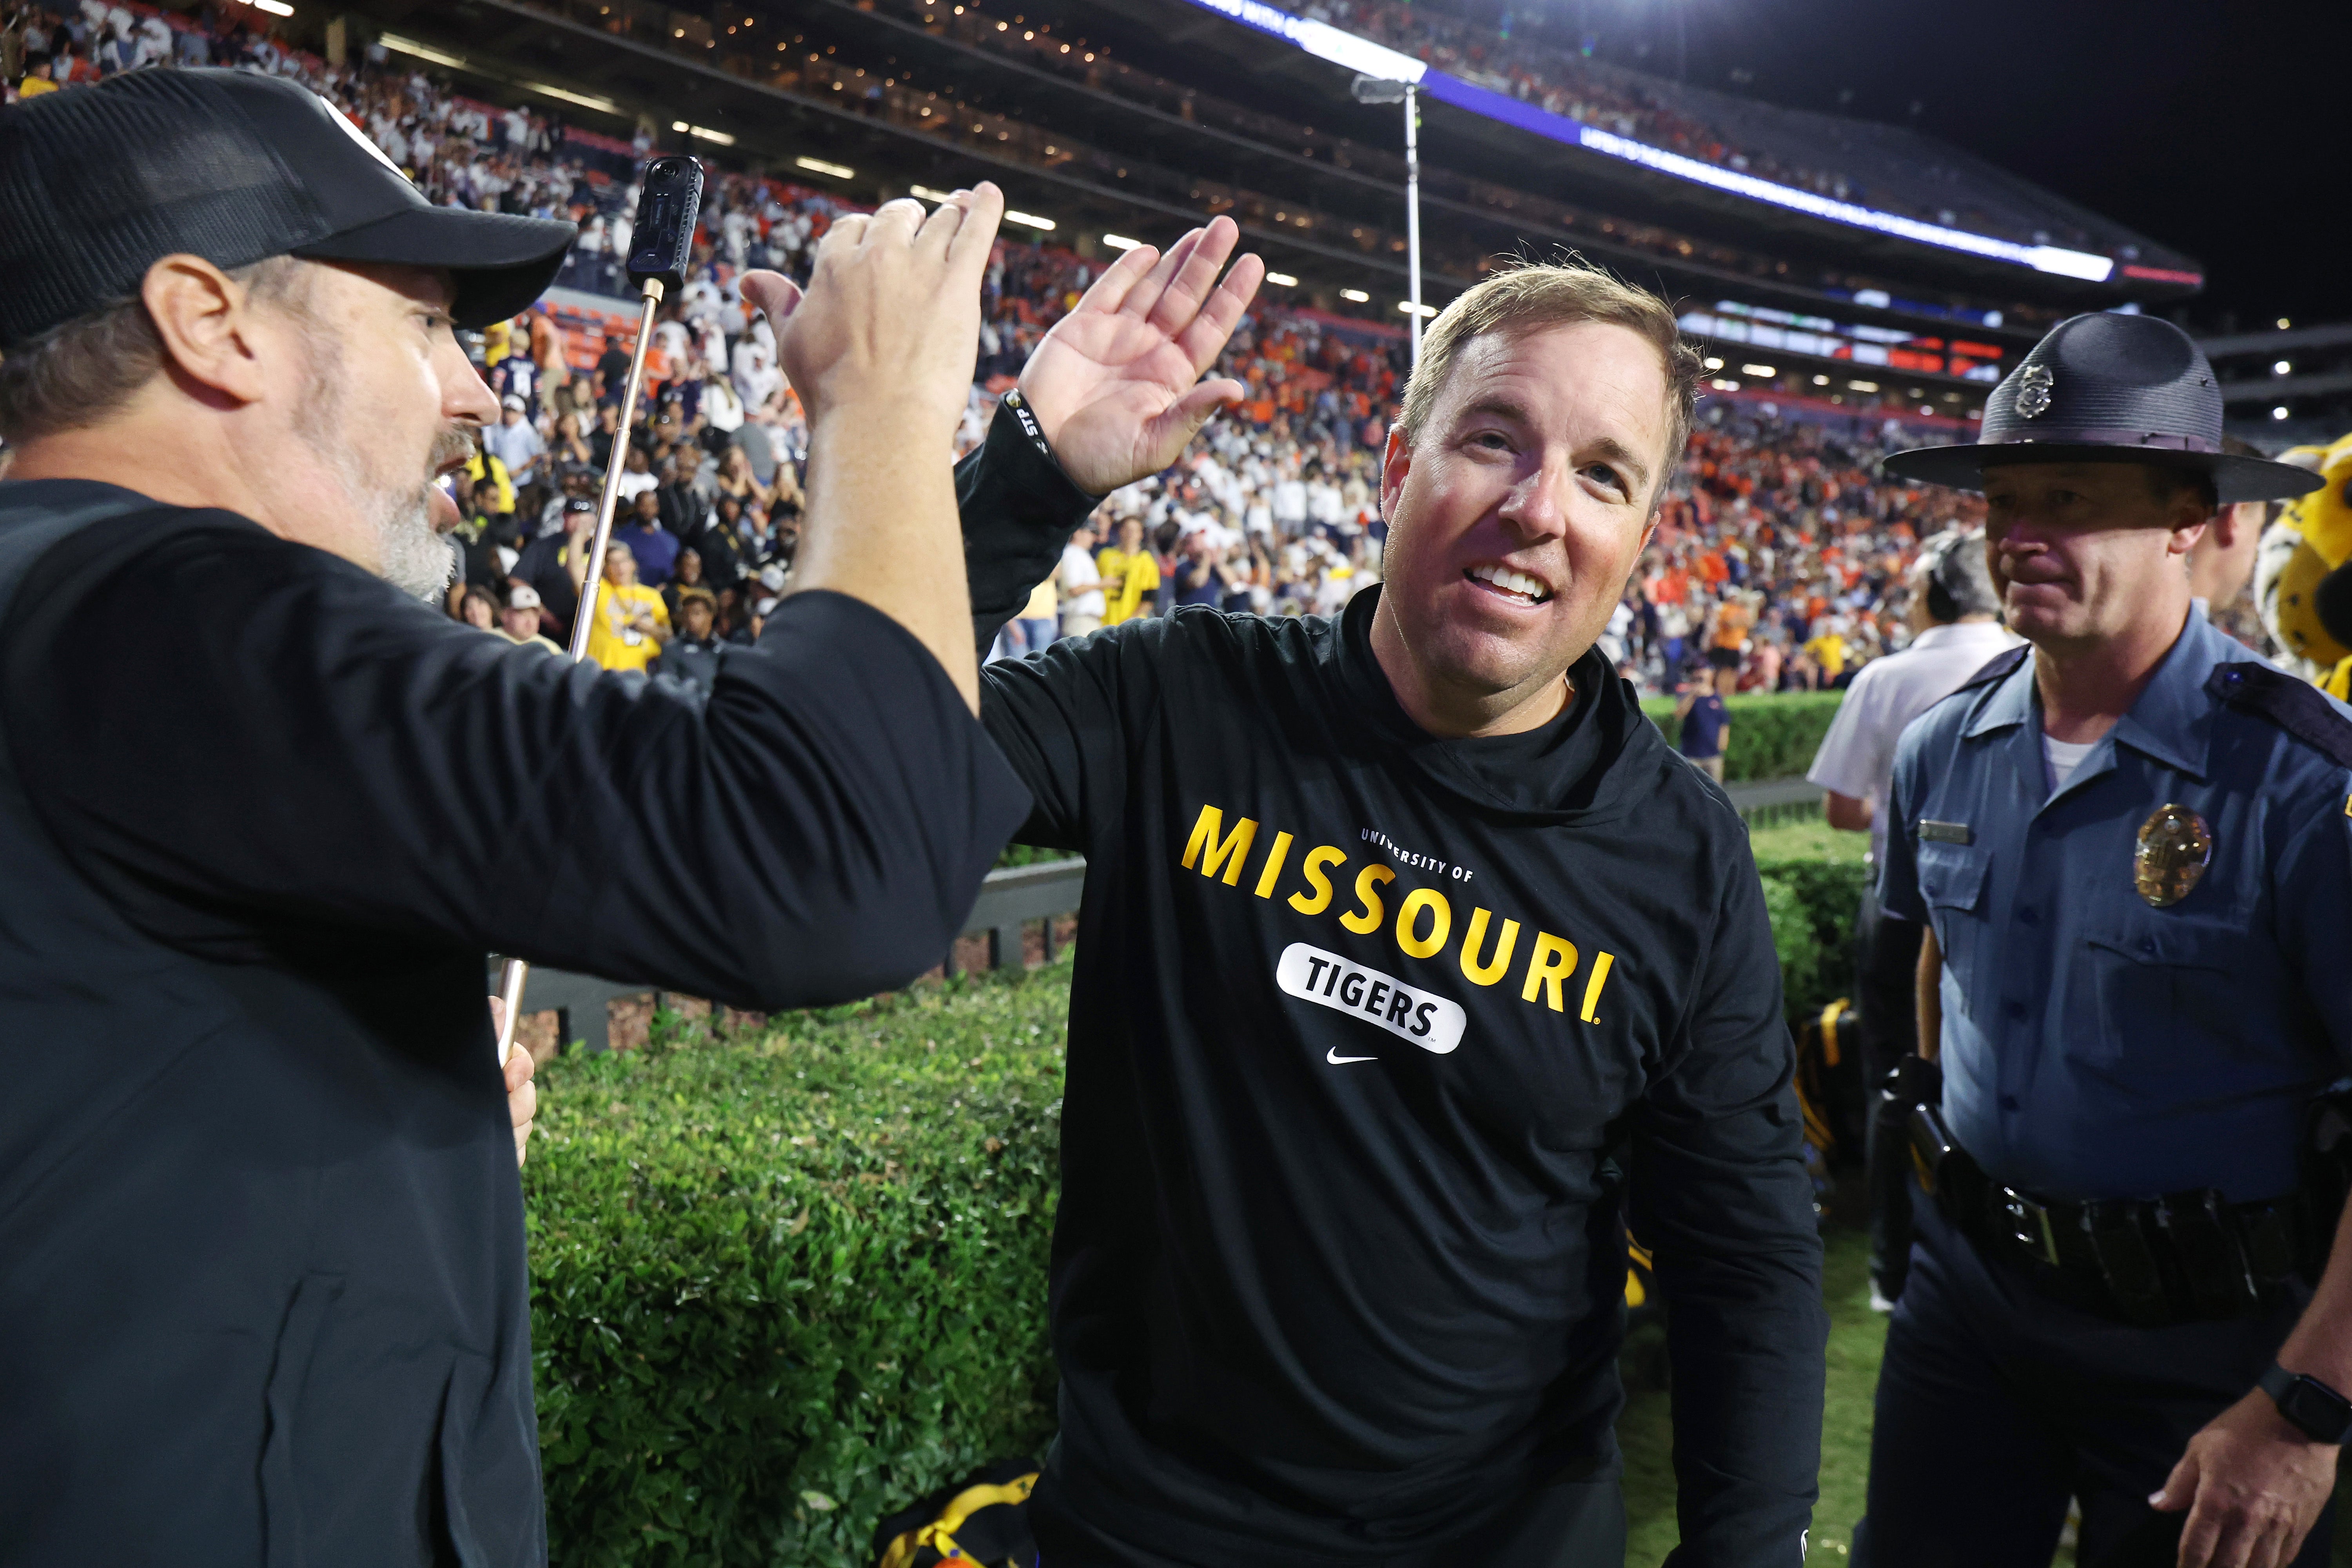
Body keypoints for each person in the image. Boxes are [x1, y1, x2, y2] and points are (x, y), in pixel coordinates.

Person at [0, 69, 1038, 1561]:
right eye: (425, 321)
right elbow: (829, 854)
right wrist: (879, 404)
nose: (480, 388)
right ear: (210, 324)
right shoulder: (165, 605)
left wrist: (350, 1135)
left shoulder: (74, 611)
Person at [958, 240, 1824, 1565]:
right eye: (1495, 439)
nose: (1541, 508)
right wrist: (1026, 477)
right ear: (1393, 468)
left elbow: (1745, 1263)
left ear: (1642, 542)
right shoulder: (1177, 702)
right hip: (1143, 1535)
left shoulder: (1681, 856)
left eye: (1603, 475)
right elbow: (839, 751)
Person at [1855, 313, 2347, 1568]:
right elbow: (1937, 970)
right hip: (1967, 1309)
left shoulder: (2297, 784)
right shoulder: (1938, 749)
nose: (2017, 535)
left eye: (2065, 497)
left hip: (2209, 1346)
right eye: (2002, 499)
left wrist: (2304, 1408)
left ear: (2187, 513)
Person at [1804, 528, 2018, 1309]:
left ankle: (1893, 1270)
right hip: (2014, 902)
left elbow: (1840, 807)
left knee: (1894, 1080)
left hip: (1899, 901)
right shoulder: (2035, 662)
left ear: (1933, 589)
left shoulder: (1890, 676)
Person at [579, 540, 671, 671]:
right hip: (602, 672)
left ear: (633, 564)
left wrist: (652, 629)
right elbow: (575, 567)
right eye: (613, 563)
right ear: (606, 568)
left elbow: (668, 637)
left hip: (640, 674)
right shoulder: (598, 589)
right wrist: (579, 534)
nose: (620, 568)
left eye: (623, 561)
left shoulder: (651, 595)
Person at [652, 588, 727, 693]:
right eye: (686, 614)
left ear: (710, 616)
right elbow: (667, 691)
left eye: (697, 613)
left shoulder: (725, 650)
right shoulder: (671, 649)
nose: (690, 618)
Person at [1673, 661, 1735, 780]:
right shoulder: (1686, 695)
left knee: (1715, 791)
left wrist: (1722, 745)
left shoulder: (1717, 697)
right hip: (1691, 754)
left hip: (1713, 754)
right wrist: (1693, 694)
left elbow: (1724, 722)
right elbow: (1679, 714)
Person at [1096, 513, 1159, 624]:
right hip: (1103, 621)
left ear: (1141, 534)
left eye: (1135, 530)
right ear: (1120, 531)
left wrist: (1131, 621)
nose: (1130, 534)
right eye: (1127, 529)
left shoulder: (1146, 561)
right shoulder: (1105, 556)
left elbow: (1149, 598)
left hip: (1131, 624)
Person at [1056, 518, 1105, 638]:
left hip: (1086, 620)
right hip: (1080, 620)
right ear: (1078, 533)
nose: (1094, 538)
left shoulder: (1080, 553)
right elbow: (1074, 589)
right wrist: (1103, 584)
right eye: (1091, 533)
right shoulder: (1073, 554)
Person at [498, 583, 563, 653]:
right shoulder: (491, 641)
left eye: (535, 616)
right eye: (524, 615)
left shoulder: (550, 649)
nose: (529, 622)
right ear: (506, 615)